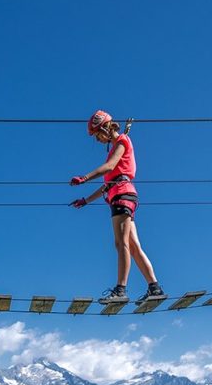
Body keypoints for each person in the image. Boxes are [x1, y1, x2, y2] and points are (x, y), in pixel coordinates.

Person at [70, 110, 164, 304]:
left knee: (120, 243)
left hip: (122, 195)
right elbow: (107, 184)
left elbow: (111, 167)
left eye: (97, 134)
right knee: (133, 246)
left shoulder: (122, 141)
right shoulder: (117, 145)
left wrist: (85, 178)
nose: (97, 140)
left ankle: (120, 290)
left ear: (104, 128)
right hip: (122, 193)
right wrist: (86, 200)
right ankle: (154, 288)